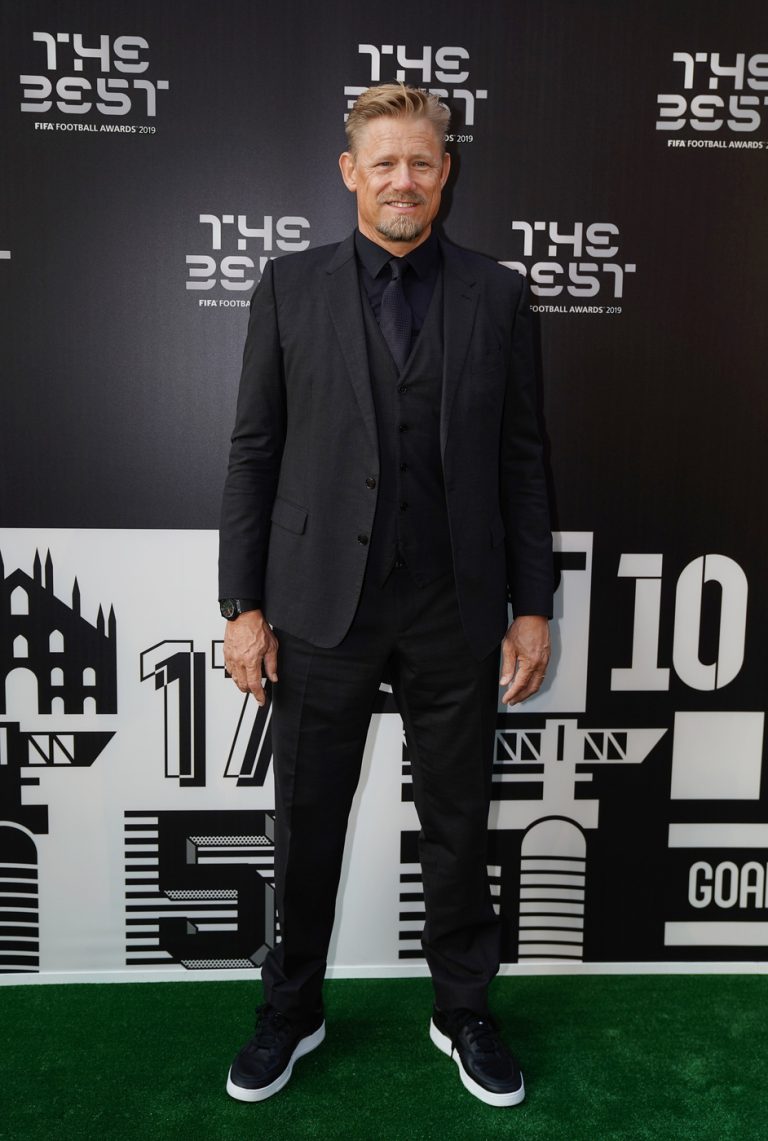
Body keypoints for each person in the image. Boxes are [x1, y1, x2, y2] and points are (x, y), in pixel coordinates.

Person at [218, 83, 553, 1109]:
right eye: (384, 162)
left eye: (421, 162)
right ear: (349, 172)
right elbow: (254, 451)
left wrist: (532, 605)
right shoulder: (290, 287)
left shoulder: (498, 296)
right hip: (321, 605)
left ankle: (463, 1010)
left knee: (459, 821)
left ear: (445, 173)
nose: (402, 179)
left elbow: (524, 460)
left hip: (457, 606)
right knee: (306, 822)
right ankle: (291, 1008)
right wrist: (240, 606)